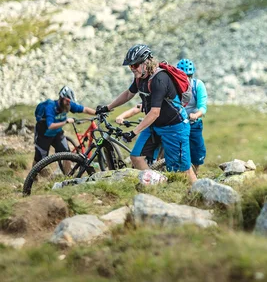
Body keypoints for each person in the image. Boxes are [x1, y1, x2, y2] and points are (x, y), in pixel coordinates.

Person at [96, 44, 196, 183]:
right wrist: (108, 107)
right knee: (136, 157)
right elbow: (128, 94)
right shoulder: (140, 77)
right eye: (130, 66)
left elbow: (155, 112)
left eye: (135, 65)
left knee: (182, 169)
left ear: (146, 62)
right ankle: (155, 185)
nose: (132, 69)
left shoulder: (159, 79)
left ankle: (198, 191)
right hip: (154, 126)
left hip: (174, 127)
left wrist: (133, 132)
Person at [33, 86, 96, 166]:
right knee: (39, 160)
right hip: (44, 135)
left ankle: (68, 177)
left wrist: (98, 112)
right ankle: (33, 178)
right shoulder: (50, 107)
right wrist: (65, 121)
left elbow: (85, 109)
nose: (68, 103)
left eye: (70, 101)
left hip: (57, 133)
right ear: (61, 98)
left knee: (67, 157)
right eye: (67, 100)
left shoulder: (68, 105)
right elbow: (50, 126)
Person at [176, 58, 207, 172]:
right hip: (177, 122)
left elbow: (202, 107)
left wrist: (196, 115)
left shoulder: (198, 85)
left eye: (188, 75)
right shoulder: (173, 86)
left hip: (193, 122)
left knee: (197, 150)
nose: (186, 78)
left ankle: (195, 173)